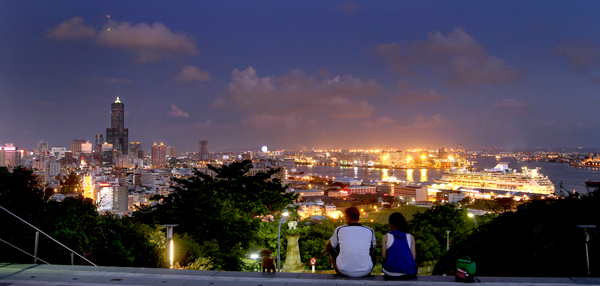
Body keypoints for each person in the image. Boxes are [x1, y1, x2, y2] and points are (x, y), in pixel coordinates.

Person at [325, 207, 376, 277]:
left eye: (344, 216)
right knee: (374, 251)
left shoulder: (340, 229)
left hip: (344, 270)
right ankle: (366, 269)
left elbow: (328, 244)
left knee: (331, 248)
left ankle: (338, 272)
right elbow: (373, 248)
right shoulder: (370, 230)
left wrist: (327, 249)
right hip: (365, 271)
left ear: (348, 217)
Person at [381, 212, 417, 278]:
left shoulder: (386, 237)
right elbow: (413, 258)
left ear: (391, 224)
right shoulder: (410, 237)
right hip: (407, 272)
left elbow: (384, 257)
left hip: (390, 272)